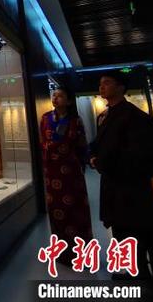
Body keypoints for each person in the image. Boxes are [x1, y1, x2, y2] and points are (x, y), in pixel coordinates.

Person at [90, 71, 153, 279]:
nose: (102, 87)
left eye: (107, 82)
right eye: (100, 83)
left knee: (136, 232)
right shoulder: (105, 115)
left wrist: (102, 162)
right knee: (122, 231)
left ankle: (143, 279)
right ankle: (136, 273)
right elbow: (99, 144)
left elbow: (138, 155)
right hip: (114, 185)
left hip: (130, 187)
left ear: (121, 87)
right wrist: (92, 156)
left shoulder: (134, 116)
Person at [39, 87, 93, 263]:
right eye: (54, 95)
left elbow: (82, 145)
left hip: (71, 172)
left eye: (60, 95)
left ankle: (81, 252)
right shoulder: (45, 118)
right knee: (56, 211)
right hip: (52, 172)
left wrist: (84, 162)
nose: (56, 98)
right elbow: (42, 142)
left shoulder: (75, 120)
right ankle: (62, 253)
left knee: (77, 210)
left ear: (69, 101)